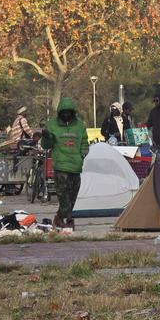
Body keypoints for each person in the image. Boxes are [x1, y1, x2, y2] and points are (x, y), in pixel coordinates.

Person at [41, 98, 89, 230]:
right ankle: (69, 220)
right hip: (61, 165)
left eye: (69, 112)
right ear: (59, 112)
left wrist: (83, 153)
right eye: (64, 112)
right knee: (63, 195)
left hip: (76, 165)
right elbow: (46, 146)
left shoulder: (80, 126)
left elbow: (84, 141)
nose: (66, 115)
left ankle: (58, 218)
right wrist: (45, 137)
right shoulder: (51, 125)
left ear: (73, 112)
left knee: (72, 195)